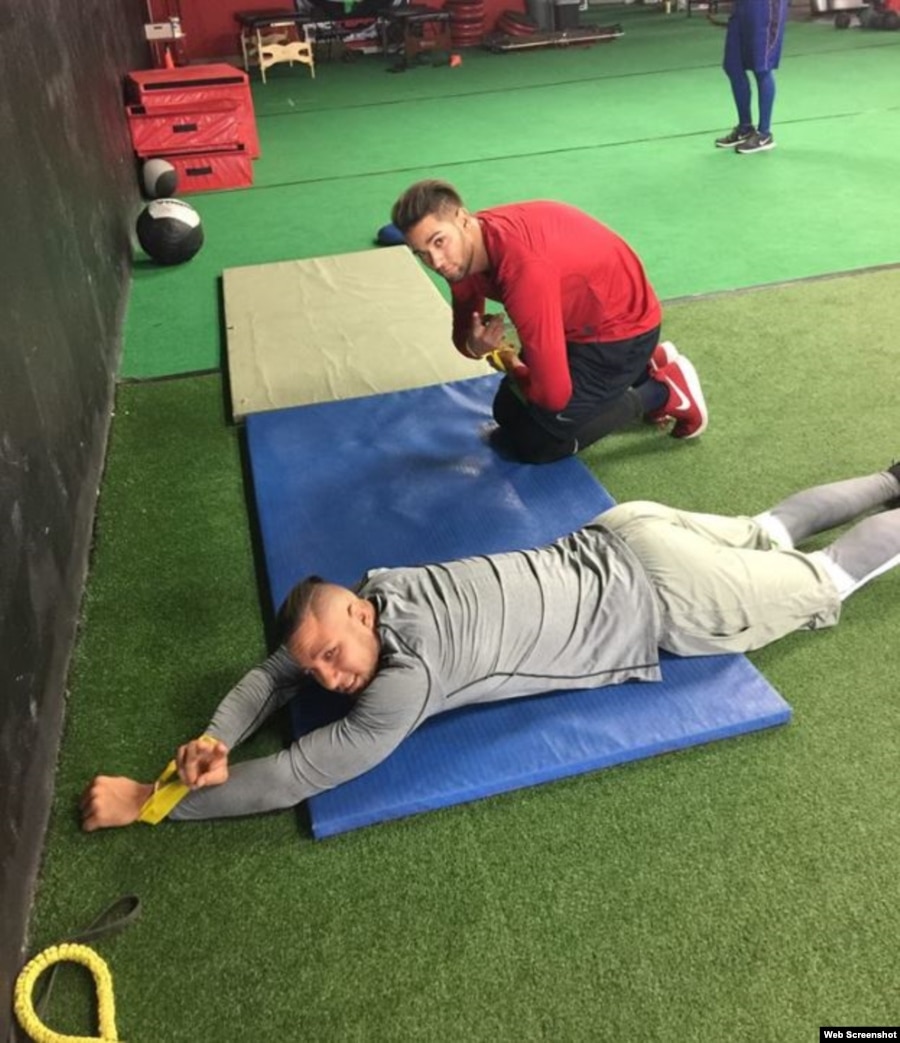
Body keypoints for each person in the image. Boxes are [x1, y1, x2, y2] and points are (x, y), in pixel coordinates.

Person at [81, 463, 900, 831]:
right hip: (625, 527)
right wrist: (218, 733)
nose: (327, 676)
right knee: (768, 529)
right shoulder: (381, 583)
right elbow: (275, 672)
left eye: (332, 653)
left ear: (361, 618)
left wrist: (151, 803)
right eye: (319, 663)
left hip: (662, 597)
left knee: (826, 576)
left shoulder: (407, 677)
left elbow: (295, 777)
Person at [389, 180, 708, 465]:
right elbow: (464, 336)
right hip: (574, 321)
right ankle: (644, 366)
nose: (437, 262)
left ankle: (663, 390)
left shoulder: (523, 273)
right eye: (422, 253)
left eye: (439, 242)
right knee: (507, 412)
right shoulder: (465, 254)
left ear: (462, 219)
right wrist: (476, 346)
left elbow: (553, 396)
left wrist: (514, 365)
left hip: (621, 333)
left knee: (535, 445)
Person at [714, 0, 789, 154]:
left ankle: (764, 134)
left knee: (762, 67)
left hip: (766, 7)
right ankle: (745, 128)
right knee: (732, 66)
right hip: (742, 6)